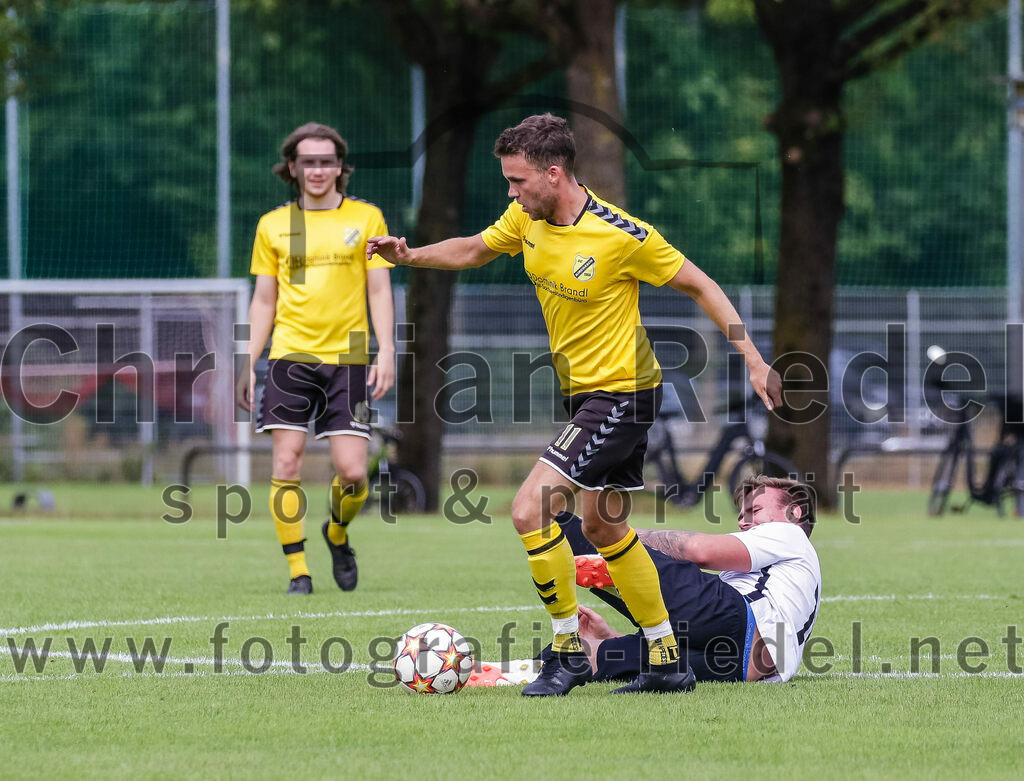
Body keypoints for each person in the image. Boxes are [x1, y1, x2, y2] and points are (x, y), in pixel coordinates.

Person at [367, 113, 782, 695]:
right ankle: (667, 661)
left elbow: (701, 285)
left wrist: (755, 360)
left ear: (553, 174)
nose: (510, 193)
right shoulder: (526, 219)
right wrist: (409, 256)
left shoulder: (622, 235)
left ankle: (568, 655)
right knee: (604, 529)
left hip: (623, 393)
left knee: (528, 510)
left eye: (517, 181)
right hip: (587, 396)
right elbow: (474, 249)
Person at [237, 122, 395, 595]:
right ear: (293, 167)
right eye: (309, 162)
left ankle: (337, 532)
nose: (318, 170)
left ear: (340, 166)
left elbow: (379, 289)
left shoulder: (367, 218)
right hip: (290, 355)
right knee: (287, 463)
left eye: (327, 161)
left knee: (353, 472)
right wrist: (248, 359)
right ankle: (298, 572)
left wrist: (387, 349)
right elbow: (264, 300)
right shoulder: (273, 225)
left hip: (350, 357)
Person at [560, 474, 821, 685]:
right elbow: (701, 628)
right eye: (741, 515)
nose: (743, 521)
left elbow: (699, 551)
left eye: (755, 510)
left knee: (571, 530)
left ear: (793, 513)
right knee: (580, 656)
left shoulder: (790, 534)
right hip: (734, 667)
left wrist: (613, 535)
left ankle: (593, 547)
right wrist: (609, 635)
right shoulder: (788, 576)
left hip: (736, 622)